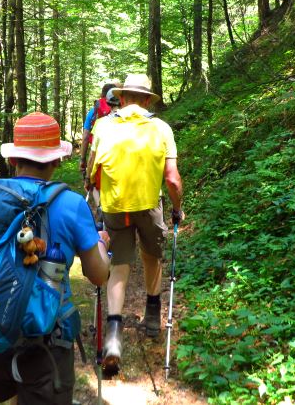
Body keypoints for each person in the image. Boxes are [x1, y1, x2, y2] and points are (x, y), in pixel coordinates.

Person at [0, 112, 111, 404]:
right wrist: (101, 244)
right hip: (46, 343)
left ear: (14, 160)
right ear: (56, 160)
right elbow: (98, 274)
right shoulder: (71, 204)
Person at [85, 74, 184, 372]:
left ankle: (113, 337)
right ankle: (153, 316)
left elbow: (93, 170)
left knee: (120, 266)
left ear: (124, 98)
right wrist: (177, 209)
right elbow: (172, 180)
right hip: (149, 204)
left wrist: (96, 197)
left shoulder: (103, 126)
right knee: (152, 256)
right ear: (147, 100)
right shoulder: (161, 128)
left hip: (115, 206)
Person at [79, 82, 118, 181]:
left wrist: (83, 159)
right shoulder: (122, 109)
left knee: (96, 183)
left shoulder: (94, 109)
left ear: (102, 94)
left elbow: (85, 137)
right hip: (118, 151)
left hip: (98, 150)